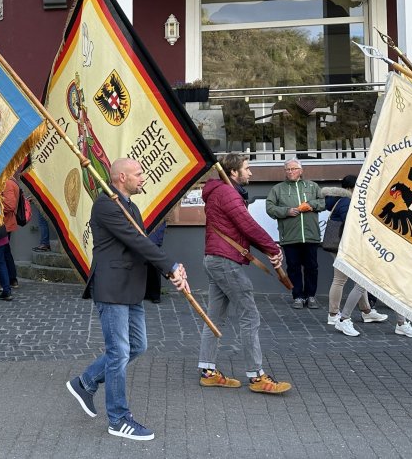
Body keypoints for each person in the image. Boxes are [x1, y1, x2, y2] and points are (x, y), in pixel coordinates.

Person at [66, 158, 188, 441]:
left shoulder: (130, 206)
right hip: (112, 288)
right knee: (119, 352)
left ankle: (85, 382)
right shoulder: (106, 204)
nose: (143, 177)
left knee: (137, 346)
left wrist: (169, 270)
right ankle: (118, 419)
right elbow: (138, 241)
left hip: (130, 287)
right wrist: (170, 266)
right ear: (121, 177)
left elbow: (141, 246)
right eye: (138, 173)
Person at [198, 153, 292, 394]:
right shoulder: (228, 193)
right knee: (250, 315)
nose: (250, 173)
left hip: (216, 258)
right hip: (226, 261)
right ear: (233, 173)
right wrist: (272, 248)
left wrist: (269, 249)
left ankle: (208, 371)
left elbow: (242, 228)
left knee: (214, 317)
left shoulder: (219, 191)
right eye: (247, 168)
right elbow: (247, 225)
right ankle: (256, 376)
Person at [324, 175, 388, 330]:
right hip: (345, 246)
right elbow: (351, 223)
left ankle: (366, 311)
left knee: (360, 278)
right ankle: (333, 314)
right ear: (351, 188)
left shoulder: (339, 200)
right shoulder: (346, 201)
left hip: (344, 245)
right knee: (340, 279)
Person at [265, 158, 325, 309]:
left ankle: (311, 296)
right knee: (293, 267)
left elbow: (323, 202)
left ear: (301, 171)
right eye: (288, 169)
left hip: (311, 235)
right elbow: (270, 208)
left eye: (293, 169)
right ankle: (297, 296)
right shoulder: (278, 189)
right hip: (290, 236)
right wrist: (286, 211)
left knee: (312, 267)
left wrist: (310, 205)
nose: (290, 172)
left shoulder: (312, 186)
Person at [0, 177, 21, 290]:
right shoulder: (10, 181)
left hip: (4, 224)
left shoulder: (7, 183)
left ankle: (5, 280)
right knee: (5, 252)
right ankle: (12, 279)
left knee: (1, 254)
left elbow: (9, 206)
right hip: (6, 223)